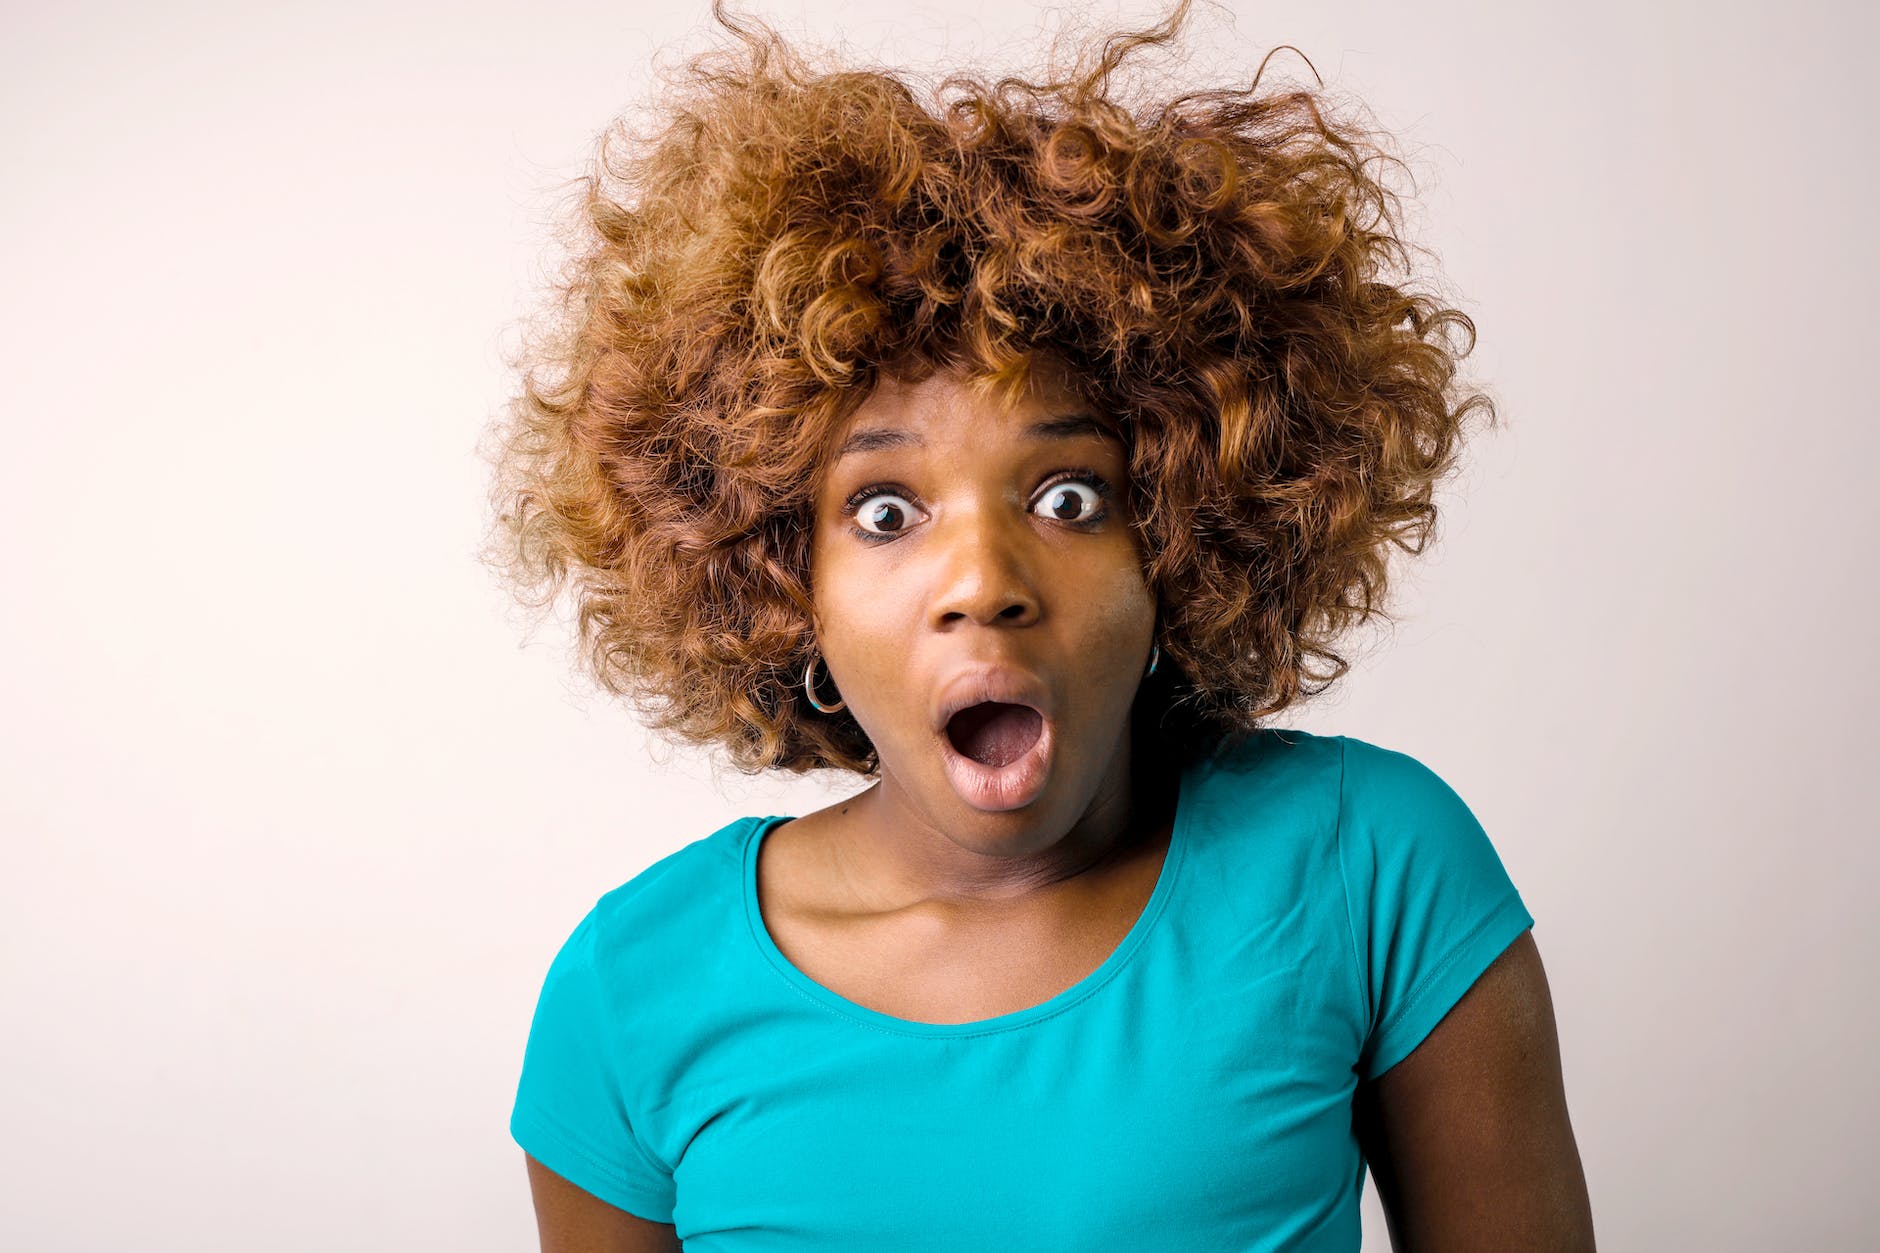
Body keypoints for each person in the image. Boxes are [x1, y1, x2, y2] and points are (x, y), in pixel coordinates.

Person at [482, 2, 1596, 1249]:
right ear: (779, 576)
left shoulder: (1364, 865)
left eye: (1068, 496)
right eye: (886, 509)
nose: (984, 581)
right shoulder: (633, 992)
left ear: (1177, 538)